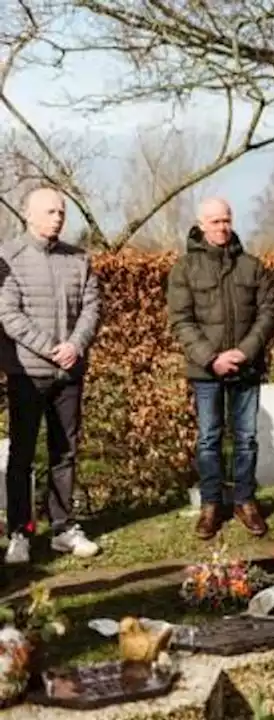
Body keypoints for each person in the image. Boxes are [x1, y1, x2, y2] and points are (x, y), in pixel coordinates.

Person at [0, 187, 102, 563]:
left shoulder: (79, 259)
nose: (57, 217)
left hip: (70, 373)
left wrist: (75, 345)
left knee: (65, 452)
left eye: (61, 211)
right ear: (29, 215)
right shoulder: (9, 257)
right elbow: (9, 315)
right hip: (27, 372)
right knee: (22, 455)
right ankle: (20, 533)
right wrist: (50, 347)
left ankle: (62, 528)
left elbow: (92, 309)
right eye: (49, 211)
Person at [168, 197, 274, 540]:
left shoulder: (252, 266)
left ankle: (245, 501)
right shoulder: (184, 268)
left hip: (246, 368)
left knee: (246, 439)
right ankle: (211, 505)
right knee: (209, 439)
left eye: (226, 220)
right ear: (201, 224)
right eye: (215, 221)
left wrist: (243, 352)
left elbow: (268, 313)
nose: (222, 227)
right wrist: (212, 358)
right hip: (206, 371)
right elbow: (181, 320)